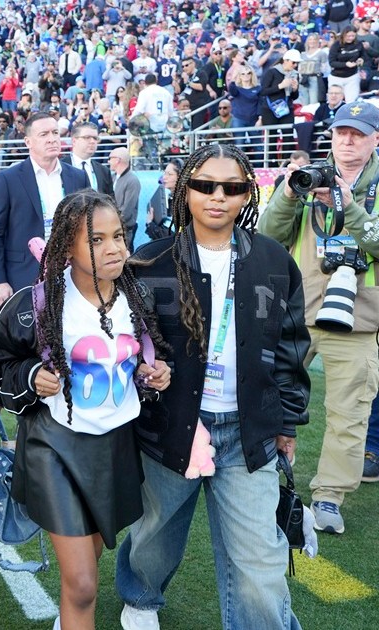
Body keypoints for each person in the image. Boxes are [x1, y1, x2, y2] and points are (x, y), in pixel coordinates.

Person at [117, 143, 309, 630]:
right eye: (205, 185)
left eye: (231, 187)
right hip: (169, 427)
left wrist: (286, 422)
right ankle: (140, 598)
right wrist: (145, 372)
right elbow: (123, 342)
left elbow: (290, 348)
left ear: (247, 195)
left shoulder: (273, 260)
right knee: (155, 535)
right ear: (186, 191)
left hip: (248, 432)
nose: (217, 196)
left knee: (260, 568)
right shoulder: (150, 261)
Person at [0, 189, 171, 630]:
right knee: (82, 583)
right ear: (67, 247)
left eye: (118, 236)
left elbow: (146, 358)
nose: (114, 248)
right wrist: (30, 376)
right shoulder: (38, 304)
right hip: (54, 448)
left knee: (89, 561)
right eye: (96, 239)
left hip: (115, 447)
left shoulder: (137, 297)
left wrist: (154, 373)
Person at [258, 101, 379, 535]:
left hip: (359, 318)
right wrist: (290, 195)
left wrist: (349, 206)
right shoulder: (307, 177)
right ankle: (256, 479)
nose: (347, 141)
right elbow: (268, 236)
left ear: (375, 140)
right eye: (341, 133)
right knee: (266, 397)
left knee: (350, 413)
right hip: (300, 311)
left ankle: (329, 496)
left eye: (358, 134)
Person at [0, 112, 90, 306]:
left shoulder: (78, 177)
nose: (52, 139)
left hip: (72, 275)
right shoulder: (7, 179)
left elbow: (87, 226)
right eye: (44, 134)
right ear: (28, 142)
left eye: (55, 133)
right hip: (22, 277)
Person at [68, 122, 114, 196]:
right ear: (74, 141)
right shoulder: (60, 167)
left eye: (95, 138)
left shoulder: (104, 171)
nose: (92, 141)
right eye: (87, 137)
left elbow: (110, 200)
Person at [110, 148, 142, 252]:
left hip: (125, 230)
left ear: (117, 160)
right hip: (113, 228)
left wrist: (111, 222)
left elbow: (127, 210)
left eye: (110, 158)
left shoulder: (132, 180)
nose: (108, 161)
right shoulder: (113, 177)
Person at [145, 158, 182, 240]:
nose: (164, 177)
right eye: (164, 173)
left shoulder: (183, 203)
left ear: (180, 177)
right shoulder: (172, 198)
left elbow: (173, 239)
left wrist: (150, 224)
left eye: (169, 174)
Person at [328, 28, 366, 103]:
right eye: (348, 36)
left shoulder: (358, 44)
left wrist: (361, 59)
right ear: (343, 35)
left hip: (352, 76)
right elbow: (332, 62)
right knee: (335, 101)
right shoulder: (336, 45)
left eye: (353, 36)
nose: (351, 38)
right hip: (337, 77)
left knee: (351, 101)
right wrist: (345, 64)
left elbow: (363, 55)